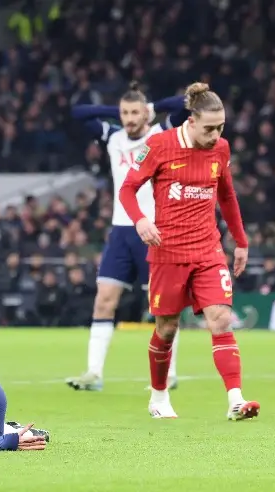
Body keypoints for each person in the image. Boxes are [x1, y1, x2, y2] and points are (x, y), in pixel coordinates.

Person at [119, 82, 259, 420]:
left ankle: (236, 400)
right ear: (191, 121)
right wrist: (140, 221)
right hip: (167, 253)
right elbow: (127, 189)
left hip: (208, 250)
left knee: (221, 319)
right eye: (210, 128)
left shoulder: (221, 150)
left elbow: (227, 196)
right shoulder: (159, 145)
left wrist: (241, 242)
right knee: (166, 328)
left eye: (221, 127)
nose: (216, 135)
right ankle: (159, 396)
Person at [66, 82, 188, 391]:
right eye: (125, 113)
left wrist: (152, 107)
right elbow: (78, 113)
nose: (129, 119)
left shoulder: (161, 132)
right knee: (104, 300)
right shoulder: (113, 136)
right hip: (121, 230)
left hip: (154, 229)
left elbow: (187, 104)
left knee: (162, 306)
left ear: (146, 113)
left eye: (135, 112)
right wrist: (116, 112)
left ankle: (169, 373)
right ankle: (94, 374)